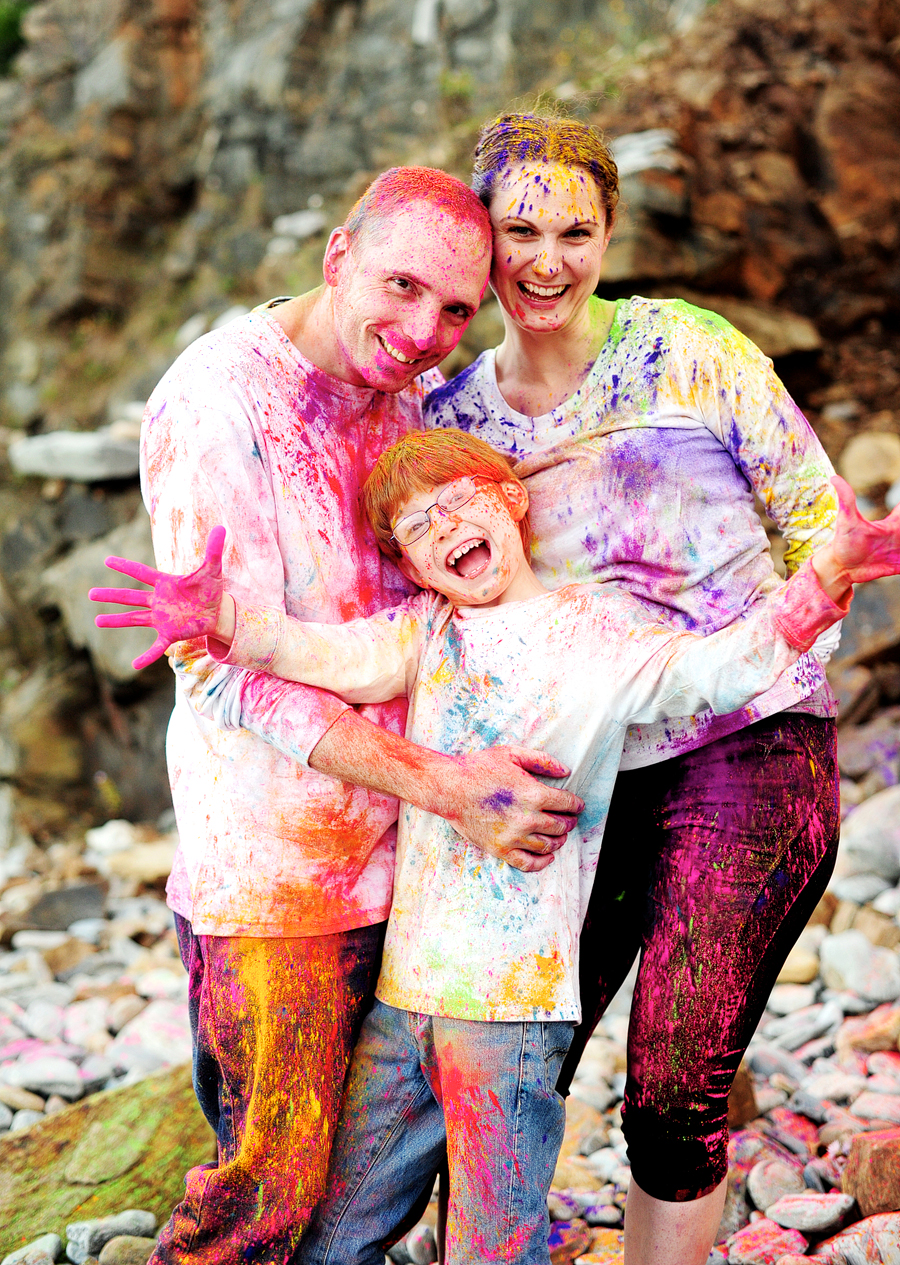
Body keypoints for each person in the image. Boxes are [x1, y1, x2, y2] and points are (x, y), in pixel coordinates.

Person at [90, 426, 900, 1265]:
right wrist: (220, 617)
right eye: (417, 528)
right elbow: (322, 653)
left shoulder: (595, 631)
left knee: (492, 1245)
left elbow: (721, 669)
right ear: (410, 563)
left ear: (510, 499)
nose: (444, 527)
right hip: (405, 997)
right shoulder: (427, 632)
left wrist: (825, 578)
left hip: (511, 1009)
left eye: (459, 502)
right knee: (334, 1236)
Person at [98, 167, 584, 1265]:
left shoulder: (412, 390)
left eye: (458, 308)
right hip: (278, 885)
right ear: (337, 255)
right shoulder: (218, 400)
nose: (425, 330)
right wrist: (447, 785)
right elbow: (221, 666)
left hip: (417, 872)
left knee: (356, 1204)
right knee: (262, 1197)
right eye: (402, 286)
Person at [423, 113, 846, 1264]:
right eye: (521, 230)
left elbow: (819, 521)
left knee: (672, 1081)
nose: (547, 258)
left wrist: (790, 621)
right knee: (514, 1062)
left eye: (576, 229)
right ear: (484, 240)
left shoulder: (686, 349)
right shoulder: (452, 420)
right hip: (583, 775)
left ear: (610, 233)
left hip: (751, 745)